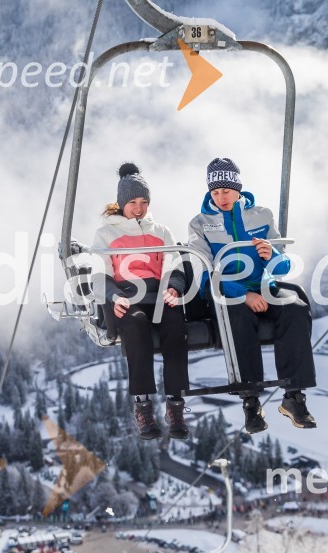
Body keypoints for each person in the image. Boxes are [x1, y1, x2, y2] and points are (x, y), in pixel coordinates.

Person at [188, 157, 317, 434]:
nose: (221, 197)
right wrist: (241, 295)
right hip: (222, 291)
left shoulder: (262, 215)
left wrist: (272, 257)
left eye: (226, 190)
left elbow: (282, 265)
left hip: (263, 286)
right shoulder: (201, 223)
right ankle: (251, 400)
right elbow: (208, 268)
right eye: (215, 192)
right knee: (238, 315)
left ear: (238, 189)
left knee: (294, 307)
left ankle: (293, 396)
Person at [92, 162, 190, 440]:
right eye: (133, 202)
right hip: (127, 298)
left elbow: (174, 265)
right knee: (136, 328)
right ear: (121, 203)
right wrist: (114, 295)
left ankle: (176, 405)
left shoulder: (161, 232)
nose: (138, 208)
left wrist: (173, 286)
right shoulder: (106, 234)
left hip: (159, 296)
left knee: (175, 328)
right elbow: (100, 274)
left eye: (144, 202)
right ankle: (144, 406)